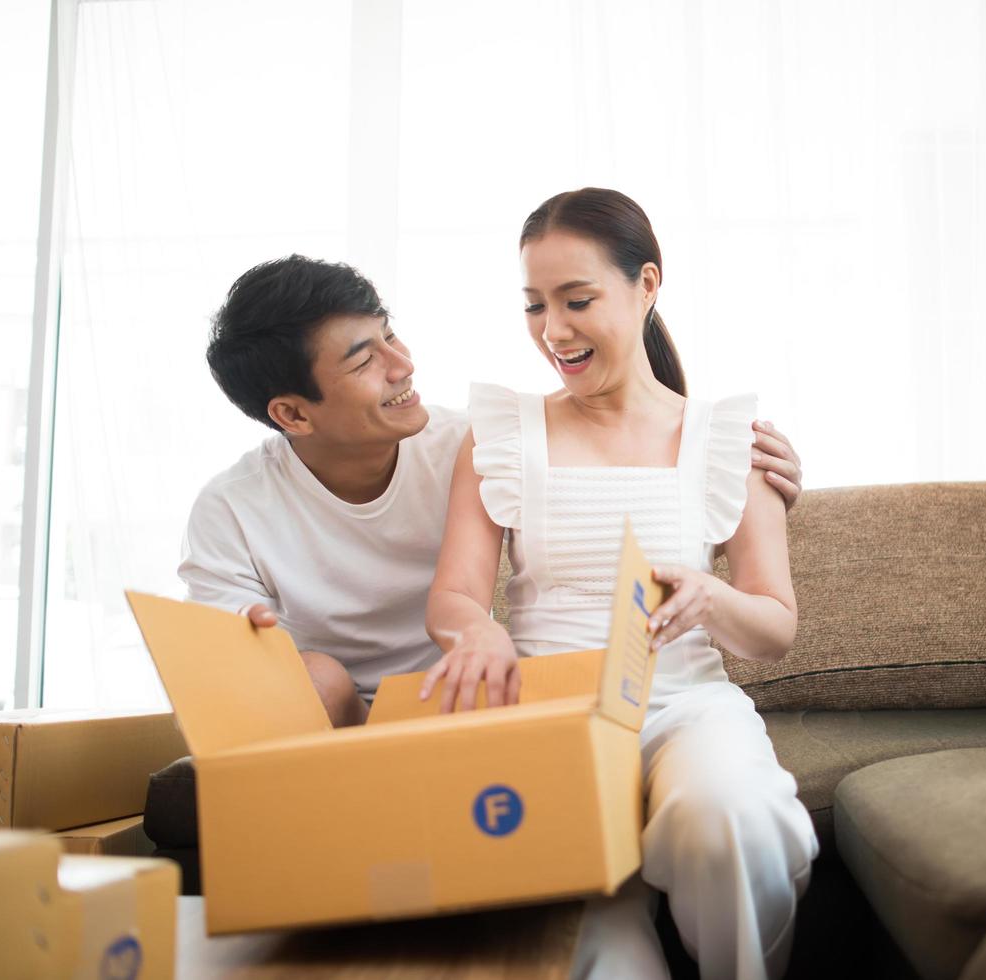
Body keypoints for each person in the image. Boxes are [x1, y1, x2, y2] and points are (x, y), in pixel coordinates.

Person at [423, 188, 818, 980]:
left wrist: (709, 599)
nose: (551, 331)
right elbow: (453, 594)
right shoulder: (501, 435)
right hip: (549, 715)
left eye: (576, 301)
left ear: (647, 284)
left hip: (686, 707)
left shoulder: (728, 442)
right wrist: (480, 629)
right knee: (597, 950)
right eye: (534, 305)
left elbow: (773, 627)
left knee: (728, 819)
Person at [179, 255, 805, 727]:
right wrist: (248, 645)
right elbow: (218, 666)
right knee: (316, 679)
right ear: (292, 415)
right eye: (364, 360)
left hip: (462, 698)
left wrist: (746, 488)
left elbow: (629, 521)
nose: (404, 365)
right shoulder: (232, 509)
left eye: (389, 334)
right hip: (329, 716)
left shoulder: (477, 446)